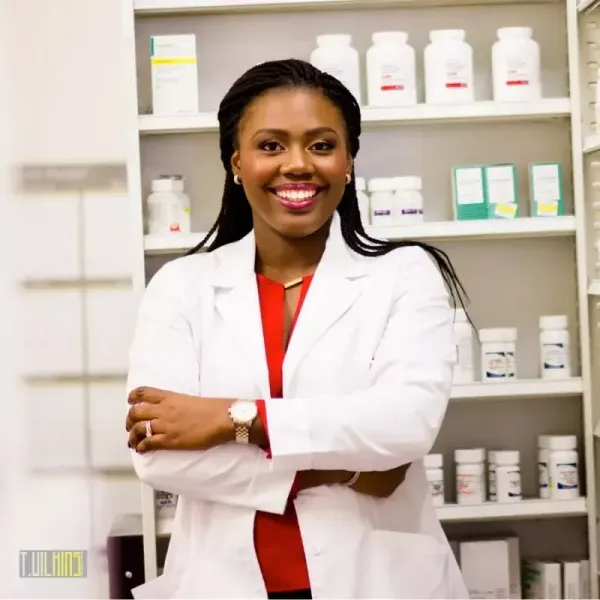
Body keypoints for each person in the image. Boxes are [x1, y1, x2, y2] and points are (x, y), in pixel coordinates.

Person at [125, 58, 469, 599]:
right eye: (270, 146)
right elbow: (159, 453)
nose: (297, 164)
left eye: (322, 144)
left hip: (377, 579)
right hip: (226, 581)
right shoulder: (181, 285)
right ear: (236, 163)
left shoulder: (404, 275)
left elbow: (404, 424)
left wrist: (229, 419)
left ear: (349, 161)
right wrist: (345, 472)